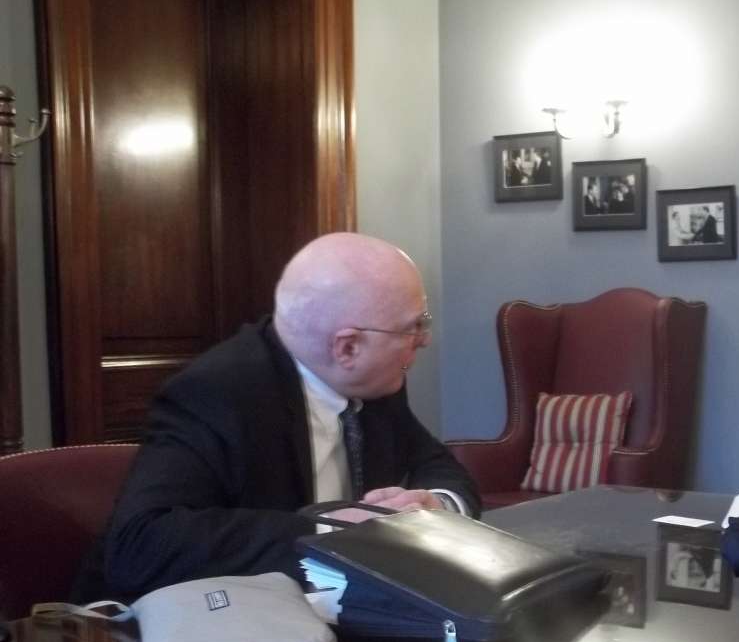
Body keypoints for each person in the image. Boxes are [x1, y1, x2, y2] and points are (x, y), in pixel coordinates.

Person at [87, 232, 480, 600]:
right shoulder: (216, 394)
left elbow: (438, 466)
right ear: (347, 349)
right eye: (414, 327)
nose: (425, 339)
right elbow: (140, 543)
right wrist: (331, 529)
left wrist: (437, 506)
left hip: (341, 615)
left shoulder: (375, 382)